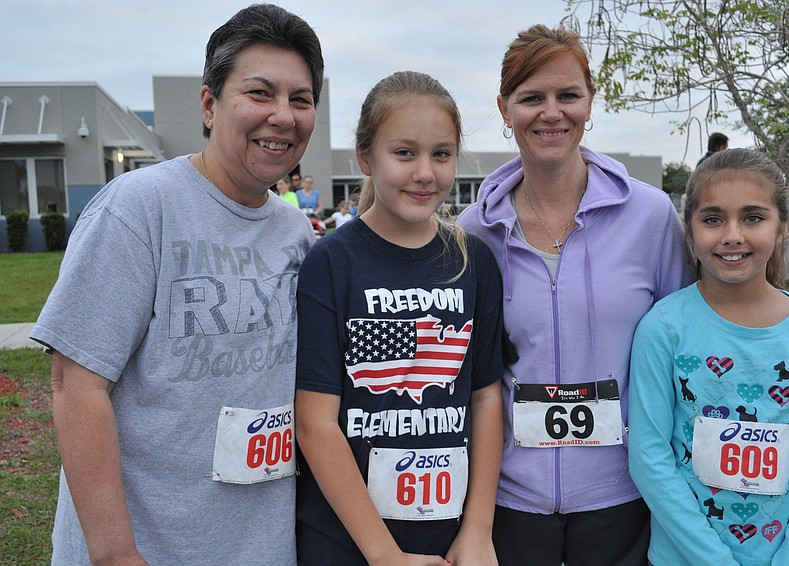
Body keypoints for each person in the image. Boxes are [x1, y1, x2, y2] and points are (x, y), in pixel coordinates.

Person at [30, 5, 323, 564]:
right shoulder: (139, 209)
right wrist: (116, 554)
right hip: (149, 548)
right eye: (260, 93)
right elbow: (77, 386)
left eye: (300, 99)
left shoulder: (295, 231)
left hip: (258, 546)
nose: (282, 116)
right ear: (210, 104)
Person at [456, 24, 693, 566]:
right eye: (531, 98)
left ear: (590, 102)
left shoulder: (651, 216)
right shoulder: (473, 231)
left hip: (625, 493)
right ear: (504, 107)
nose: (551, 112)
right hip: (510, 499)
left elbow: (686, 351)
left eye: (568, 95)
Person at [295, 70, 504, 565]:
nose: (425, 172)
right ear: (366, 157)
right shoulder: (330, 263)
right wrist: (385, 556)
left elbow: (486, 397)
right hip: (347, 542)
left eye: (441, 154)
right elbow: (315, 423)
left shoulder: (474, 262)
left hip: (451, 538)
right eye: (404, 153)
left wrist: (478, 529)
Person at [629, 148, 789, 565]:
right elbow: (649, 457)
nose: (732, 234)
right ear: (689, 232)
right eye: (712, 219)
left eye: (753, 217)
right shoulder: (663, 328)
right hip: (684, 556)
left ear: (782, 228)